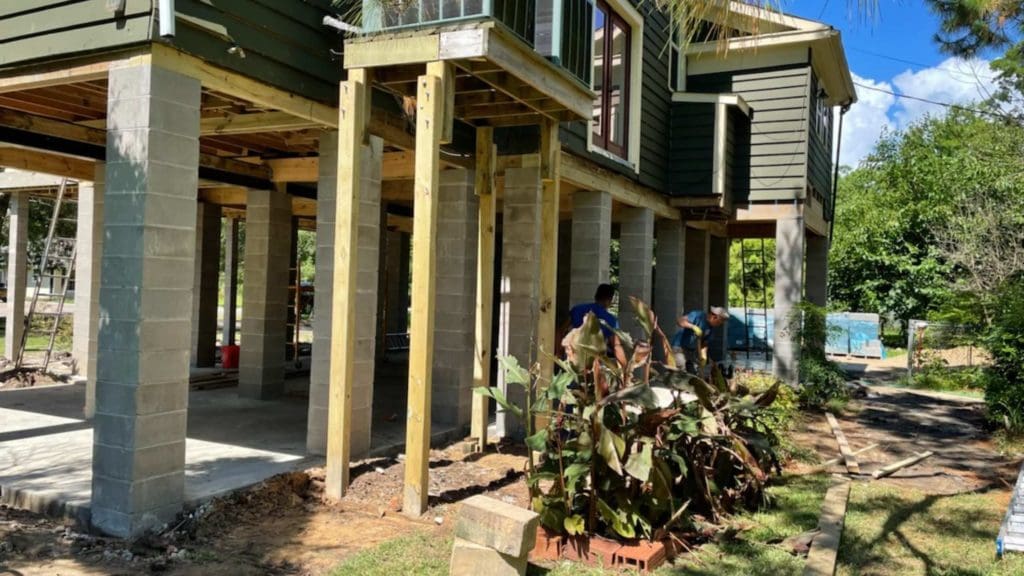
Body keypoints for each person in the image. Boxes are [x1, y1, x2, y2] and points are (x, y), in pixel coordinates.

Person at [560, 283, 628, 366]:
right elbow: (616, 346)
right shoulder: (611, 320)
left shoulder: (577, 309)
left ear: (596, 296)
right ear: (610, 299)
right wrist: (625, 368)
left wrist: (558, 352)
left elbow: (561, 331)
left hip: (573, 358)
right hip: (595, 363)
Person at [672, 306, 730, 374]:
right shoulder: (698, 315)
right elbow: (680, 321)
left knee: (693, 372)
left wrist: (704, 356)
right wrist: (693, 327)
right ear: (714, 317)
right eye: (719, 322)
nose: (719, 325)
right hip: (679, 348)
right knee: (682, 370)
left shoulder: (711, 329)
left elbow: (705, 343)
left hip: (691, 352)